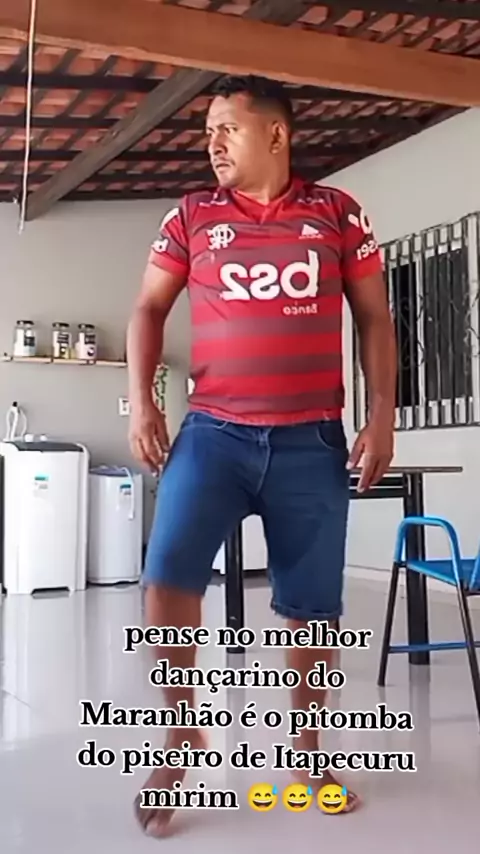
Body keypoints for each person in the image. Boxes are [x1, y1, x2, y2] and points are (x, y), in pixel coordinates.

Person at [127, 75, 396, 836]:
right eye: (207, 131)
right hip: (213, 434)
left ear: (276, 134)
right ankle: (180, 735)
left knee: (313, 608)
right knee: (166, 578)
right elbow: (149, 306)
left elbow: (375, 318)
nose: (211, 143)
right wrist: (144, 401)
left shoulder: (337, 213)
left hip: (313, 438)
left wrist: (382, 416)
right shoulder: (191, 216)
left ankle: (309, 752)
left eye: (227, 128)